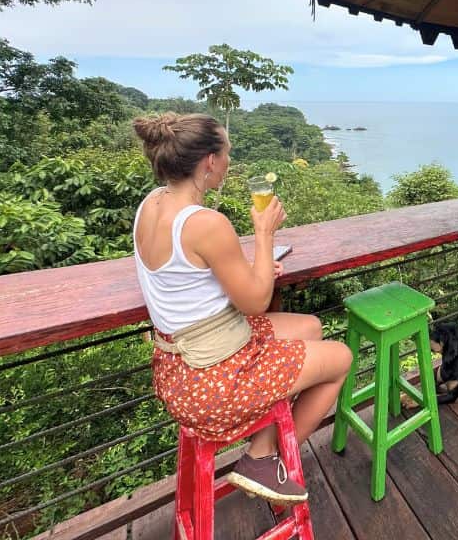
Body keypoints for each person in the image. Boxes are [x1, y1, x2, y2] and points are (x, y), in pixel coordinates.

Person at [132, 112, 352, 502]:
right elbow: (256, 300)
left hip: (177, 369)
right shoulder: (205, 223)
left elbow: (193, 277)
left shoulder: (151, 205)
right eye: (228, 153)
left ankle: (265, 450)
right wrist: (265, 235)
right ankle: (266, 461)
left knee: (310, 328)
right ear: (210, 161)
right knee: (341, 358)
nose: (230, 161)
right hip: (213, 381)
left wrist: (257, 268)